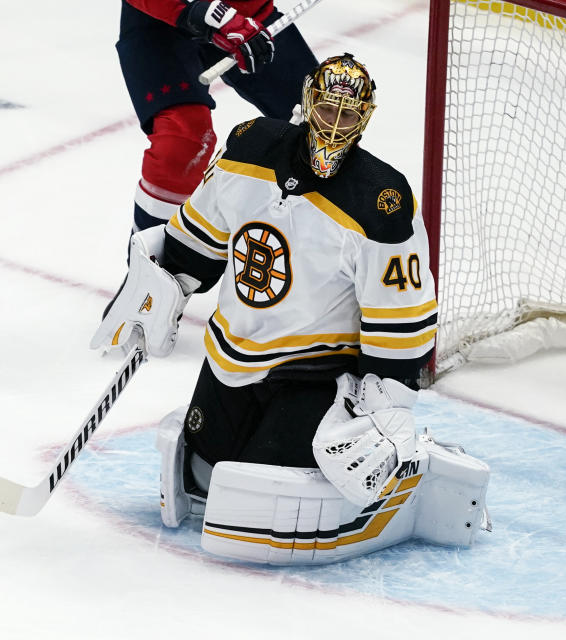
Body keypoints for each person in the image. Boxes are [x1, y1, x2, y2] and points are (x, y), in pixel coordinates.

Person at [89, 56, 485, 567]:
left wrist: (386, 397)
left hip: (313, 372)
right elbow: (196, 240)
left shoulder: (381, 202)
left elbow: (401, 314)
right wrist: (160, 291)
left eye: (348, 115)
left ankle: (411, 468)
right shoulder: (249, 148)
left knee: (259, 495)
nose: (334, 124)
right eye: (326, 107)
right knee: (201, 476)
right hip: (231, 359)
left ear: (365, 117)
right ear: (306, 100)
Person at [117, 0, 319, 235]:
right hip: (164, 20)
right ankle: (150, 262)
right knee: (182, 144)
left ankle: (320, 252)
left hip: (248, 15)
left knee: (323, 127)